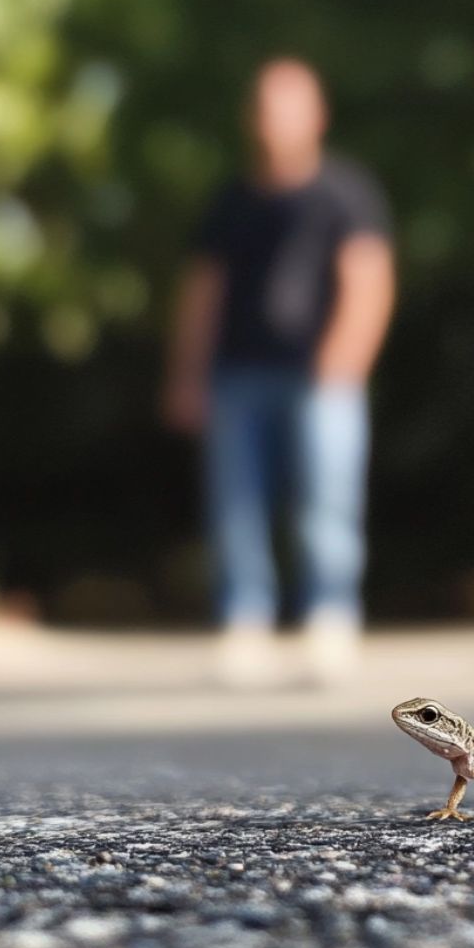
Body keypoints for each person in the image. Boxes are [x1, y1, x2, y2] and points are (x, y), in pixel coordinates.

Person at [163, 58, 395, 685]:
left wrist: (341, 366)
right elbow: (202, 293)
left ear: (317, 115)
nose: (274, 120)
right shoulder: (231, 202)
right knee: (234, 506)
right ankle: (245, 622)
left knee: (328, 502)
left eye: (288, 105)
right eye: (265, 106)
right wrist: (187, 374)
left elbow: (368, 280)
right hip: (237, 376)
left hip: (322, 380)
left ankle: (329, 618)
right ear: (251, 119)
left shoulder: (347, 192)